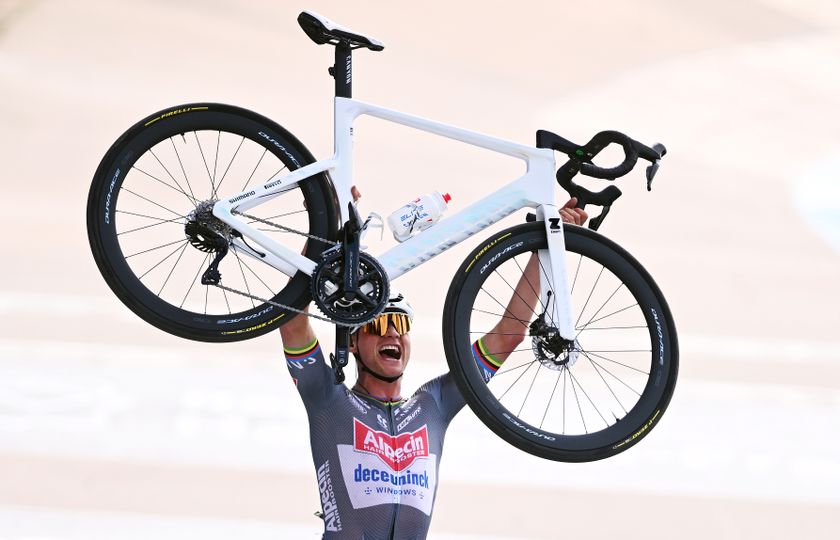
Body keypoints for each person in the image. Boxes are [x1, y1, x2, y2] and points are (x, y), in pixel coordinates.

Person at [280, 199, 587, 539]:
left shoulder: (433, 404)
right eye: (379, 326)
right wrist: (323, 224)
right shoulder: (328, 399)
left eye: (399, 324)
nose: (393, 333)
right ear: (352, 343)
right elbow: (292, 321)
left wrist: (546, 248)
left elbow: (508, 335)